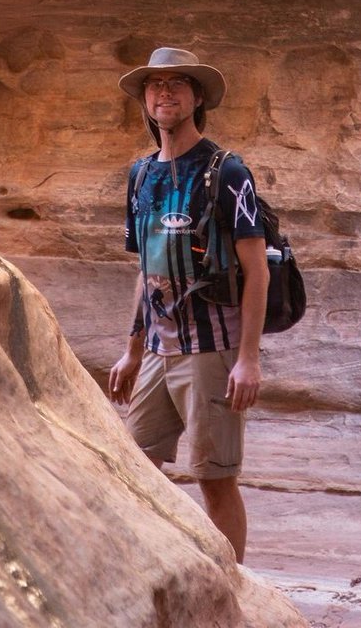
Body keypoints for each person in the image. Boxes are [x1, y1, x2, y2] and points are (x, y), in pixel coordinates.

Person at [108, 46, 269, 563]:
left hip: (212, 349)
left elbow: (258, 270)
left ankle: (235, 591)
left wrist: (248, 359)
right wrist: (133, 350)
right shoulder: (140, 174)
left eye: (177, 83)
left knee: (215, 480)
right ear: (145, 100)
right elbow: (146, 270)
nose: (165, 93)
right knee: (135, 468)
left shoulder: (226, 172)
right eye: (155, 85)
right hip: (159, 350)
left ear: (198, 98)